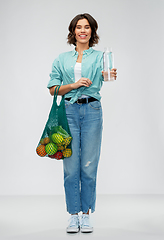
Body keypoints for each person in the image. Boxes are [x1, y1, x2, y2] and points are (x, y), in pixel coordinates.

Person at [47, 13, 117, 233]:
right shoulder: (61, 59)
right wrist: (74, 85)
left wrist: (110, 73)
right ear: (73, 32)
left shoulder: (99, 57)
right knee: (70, 167)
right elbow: (53, 89)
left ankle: (85, 214)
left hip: (92, 110)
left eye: (87, 27)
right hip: (68, 111)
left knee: (88, 166)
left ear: (92, 32)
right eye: (79, 27)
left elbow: (106, 77)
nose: (83, 31)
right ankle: (73, 215)